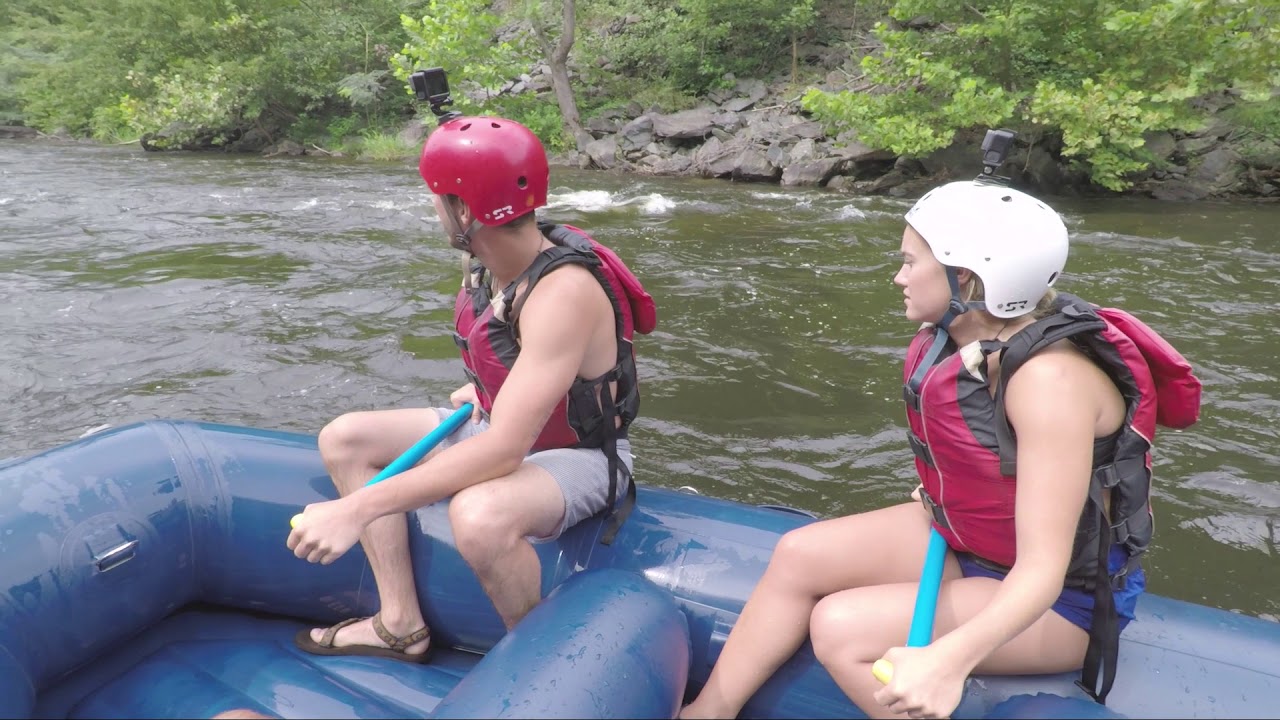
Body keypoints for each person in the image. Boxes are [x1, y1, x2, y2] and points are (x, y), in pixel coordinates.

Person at [679, 155, 1201, 719]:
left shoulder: (1050, 382)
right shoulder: (960, 340)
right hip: (969, 542)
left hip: (1061, 603)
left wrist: (947, 661)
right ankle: (707, 713)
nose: (898, 276)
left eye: (909, 262)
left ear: (967, 278)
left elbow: (1043, 571)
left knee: (839, 629)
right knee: (798, 552)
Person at [285, 113, 657, 663]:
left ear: (464, 211)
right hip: (498, 421)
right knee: (346, 438)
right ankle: (399, 624)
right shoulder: (489, 258)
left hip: (580, 456)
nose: (432, 208)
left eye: (438, 198)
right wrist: (485, 391)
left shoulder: (563, 292)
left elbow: (506, 449)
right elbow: (509, 361)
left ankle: (537, 663)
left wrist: (356, 508)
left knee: (480, 516)